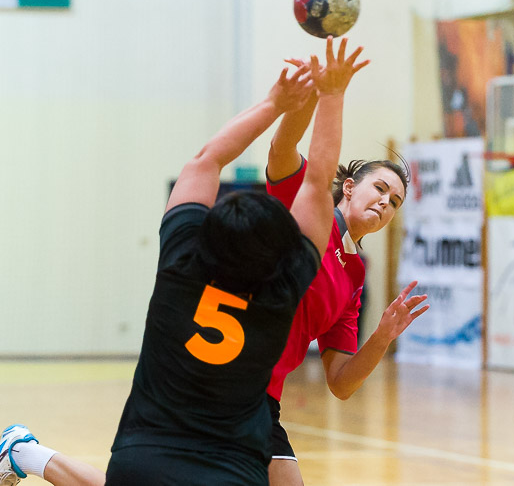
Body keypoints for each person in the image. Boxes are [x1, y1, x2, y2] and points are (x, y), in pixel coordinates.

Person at [0, 36, 370, 485]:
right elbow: (316, 185)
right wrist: (332, 96)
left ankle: (25, 453)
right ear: (279, 254)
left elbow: (206, 160)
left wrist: (277, 102)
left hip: (144, 456)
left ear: (207, 235)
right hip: (229, 469)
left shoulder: (182, 267)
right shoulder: (281, 296)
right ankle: (25, 453)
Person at [262, 58, 430, 485]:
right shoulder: (307, 207)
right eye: (380, 189)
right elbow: (282, 151)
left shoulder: (354, 275)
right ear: (351, 186)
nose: (385, 203)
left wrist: (382, 338)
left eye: (394, 203)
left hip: (262, 399)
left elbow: (340, 382)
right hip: (223, 373)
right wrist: (310, 98)